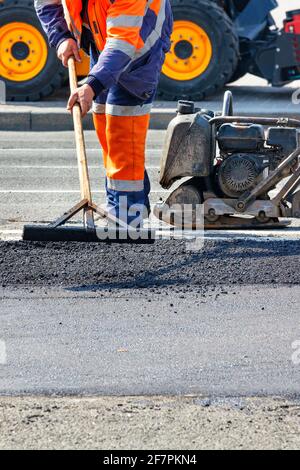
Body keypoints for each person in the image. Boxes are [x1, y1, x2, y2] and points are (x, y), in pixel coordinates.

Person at [34, 0, 173, 227]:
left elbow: (122, 43)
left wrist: (91, 85)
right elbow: (46, 2)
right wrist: (60, 36)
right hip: (103, 39)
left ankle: (128, 216)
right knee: (103, 123)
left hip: (140, 49)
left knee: (122, 130)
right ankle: (123, 205)